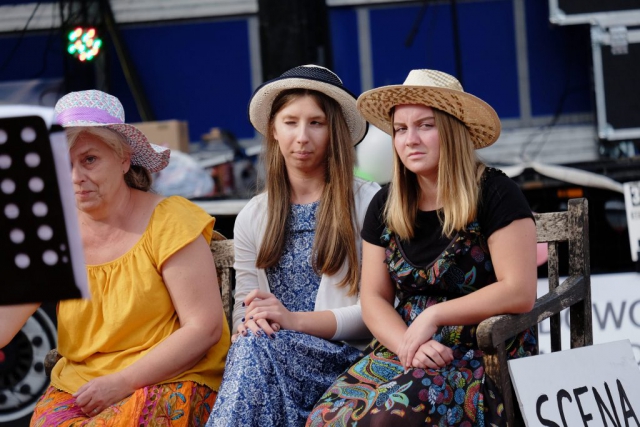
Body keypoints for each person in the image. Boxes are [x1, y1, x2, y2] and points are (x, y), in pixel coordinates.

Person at [307, 69, 538, 426]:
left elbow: (519, 291)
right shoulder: (386, 205)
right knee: (326, 418)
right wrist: (407, 344)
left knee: (390, 418)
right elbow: (373, 298)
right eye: (400, 129)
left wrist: (433, 316)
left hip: (482, 350)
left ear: (452, 130)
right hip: (407, 346)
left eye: (425, 126)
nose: (410, 140)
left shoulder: (495, 193)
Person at [0, 90, 230, 426]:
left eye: (89, 159)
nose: (76, 177)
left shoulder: (169, 219)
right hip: (81, 386)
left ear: (123, 159)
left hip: (170, 377)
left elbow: (204, 328)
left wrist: (122, 382)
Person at [206, 65, 380, 427]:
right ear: (273, 128)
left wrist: (292, 321)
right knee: (252, 342)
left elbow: (376, 311)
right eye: (290, 122)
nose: (302, 137)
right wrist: (247, 324)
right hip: (270, 358)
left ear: (334, 131)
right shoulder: (254, 215)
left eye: (316, 123)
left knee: (256, 349)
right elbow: (245, 304)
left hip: (346, 362)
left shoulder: (366, 202)